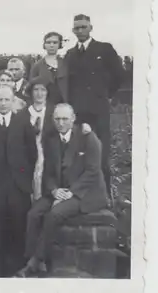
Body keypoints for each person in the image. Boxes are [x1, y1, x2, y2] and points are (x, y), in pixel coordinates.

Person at [16, 103, 108, 277]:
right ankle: (33, 259)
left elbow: (93, 171)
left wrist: (70, 192)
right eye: (57, 119)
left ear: (73, 119)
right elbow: (49, 173)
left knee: (54, 214)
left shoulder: (88, 137)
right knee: (33, 213)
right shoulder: (51, 140)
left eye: (65, 119)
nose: (61, 123)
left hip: (83, 193)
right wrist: (54, 191)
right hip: (59, 190)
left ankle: (35, 262)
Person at [0, 86, 37, 277]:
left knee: (18, 224)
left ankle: (18, 264)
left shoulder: (23, 122)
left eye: (7, 100)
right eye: (0, 100)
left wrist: (24, 177)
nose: (3, 104)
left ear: (13, 102)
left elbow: (32, 153)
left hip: (17, 184)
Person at [64, 14, 125, 191]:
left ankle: (105, 198)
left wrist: (106, 94)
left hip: (99, 111)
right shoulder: (70, 55)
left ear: (91, 28)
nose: (80, 30)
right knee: (78, 155)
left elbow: (119, 75)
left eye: (84, 27)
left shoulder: (104, 49)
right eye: (77, 28)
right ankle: (80, 196)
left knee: (101, 154)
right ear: (73, 31)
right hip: (78, 113)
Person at [17, 78, 93, 202]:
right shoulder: (23, 114)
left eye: (43, 90)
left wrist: (84, 126)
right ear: (31, 92)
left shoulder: (55, 110)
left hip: (49, 152)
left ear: (48, 92)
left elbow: (69, 124)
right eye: (36, 89)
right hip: (29, 154)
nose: (39, 93)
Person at [30, 32, 69, 104]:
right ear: (44, 45)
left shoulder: (65, 63)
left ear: (59, 44)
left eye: (55, 42)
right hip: (45, 105)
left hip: (64, 104)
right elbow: (31, 87)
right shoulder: (37, 66)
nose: (51, 45)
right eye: (48, 42)